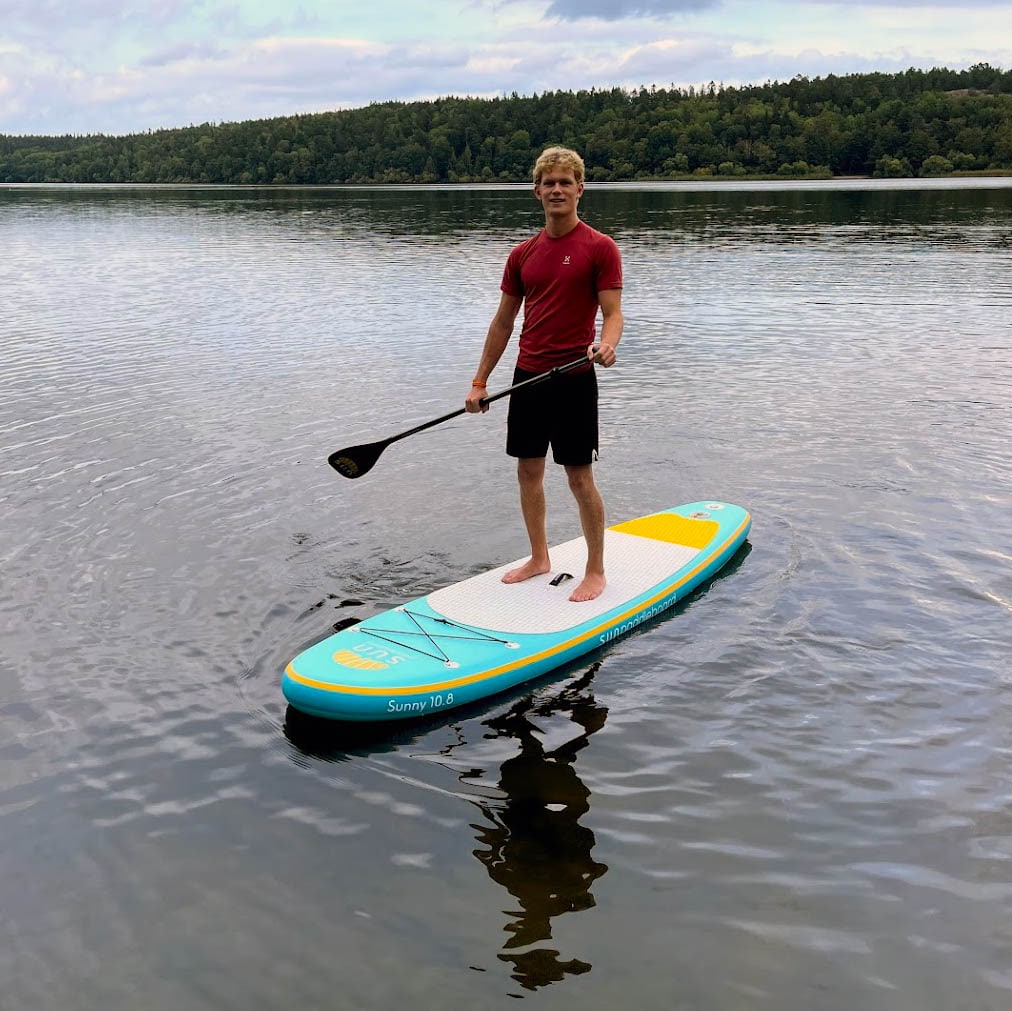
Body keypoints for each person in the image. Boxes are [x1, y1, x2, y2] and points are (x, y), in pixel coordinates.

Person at [464, 147, 624, 602]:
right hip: (527, 377)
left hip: (574, 376)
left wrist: (607, 344)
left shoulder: (600, 248)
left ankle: (595, 570)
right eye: (548, 182)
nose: (557, 189)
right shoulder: (522, 254)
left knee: (579, 477)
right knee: (528, 471)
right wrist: (480, 382)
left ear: (579, 189)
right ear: (537, 191)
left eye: (565, 182)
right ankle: (540, 557)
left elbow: (613, 313)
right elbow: (502, 323)